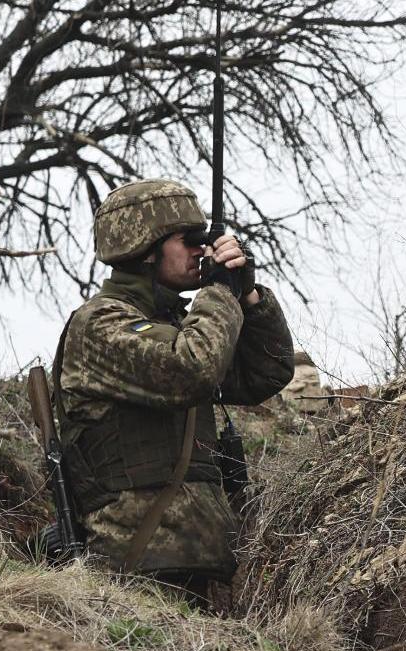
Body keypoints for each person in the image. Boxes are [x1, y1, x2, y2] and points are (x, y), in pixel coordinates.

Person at [53, 179, 294, 599]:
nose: (202, 250)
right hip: (131, 568)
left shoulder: (179, 327)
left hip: (197, 560)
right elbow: (192, 369)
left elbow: (266, 373)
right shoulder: (99, 324)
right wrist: (220, 291)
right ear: (145, 249)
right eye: (189, 240)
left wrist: (249, 295)